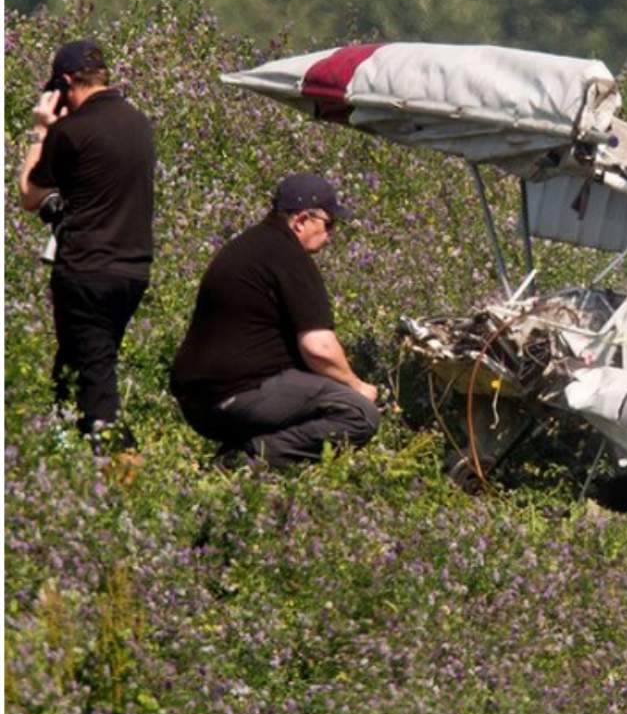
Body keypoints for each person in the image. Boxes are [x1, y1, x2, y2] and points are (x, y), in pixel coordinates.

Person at [170, 173, 380, 468]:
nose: (331, 235)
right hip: (238, 392)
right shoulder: (289, 256)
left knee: (310, 394)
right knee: (358, 414)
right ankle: (241, 462)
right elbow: (318, 347)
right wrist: (357, 386)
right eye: (329, 224)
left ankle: (247, 461)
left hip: (198, 398)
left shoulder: (247, 246)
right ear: (302, 220)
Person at [16, 40, 155, 451]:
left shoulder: (70, 131)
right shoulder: (138, 122)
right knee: (70, 369)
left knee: (97, 385)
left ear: (65, 83)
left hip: (86, 272)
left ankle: (122, 481)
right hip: (132, 271)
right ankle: (57, 458)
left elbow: (29, 193)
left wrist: (42, 131)